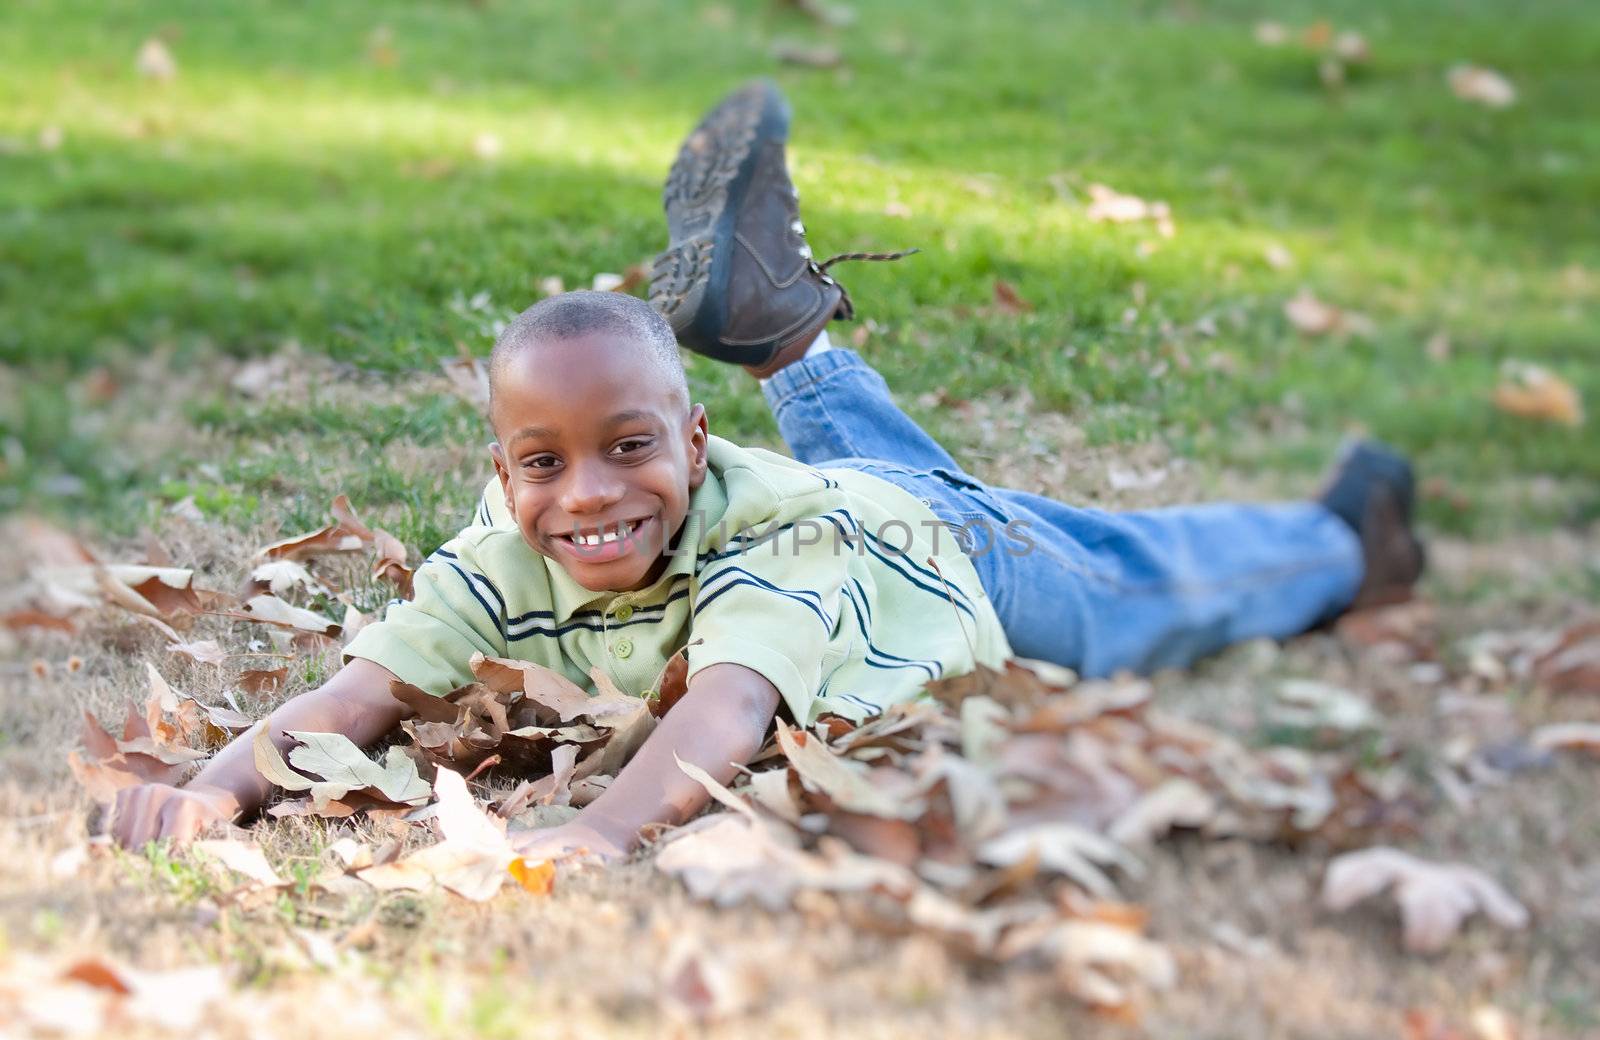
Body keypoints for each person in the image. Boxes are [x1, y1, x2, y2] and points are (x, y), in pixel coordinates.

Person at [109, 81, 1423, 855]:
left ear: (693, 442)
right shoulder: (499, 559)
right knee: (885, 482)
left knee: (1150, 590)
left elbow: (727, 715)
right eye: (544, 464)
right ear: (500, 472)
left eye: (631, 449)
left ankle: (1343, 545)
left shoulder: (765, 541)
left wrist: (597, 838)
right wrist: (212, 792)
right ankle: (779, 329)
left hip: (955, 574)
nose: (590, 496)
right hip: (864, 513)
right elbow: (357, 695)